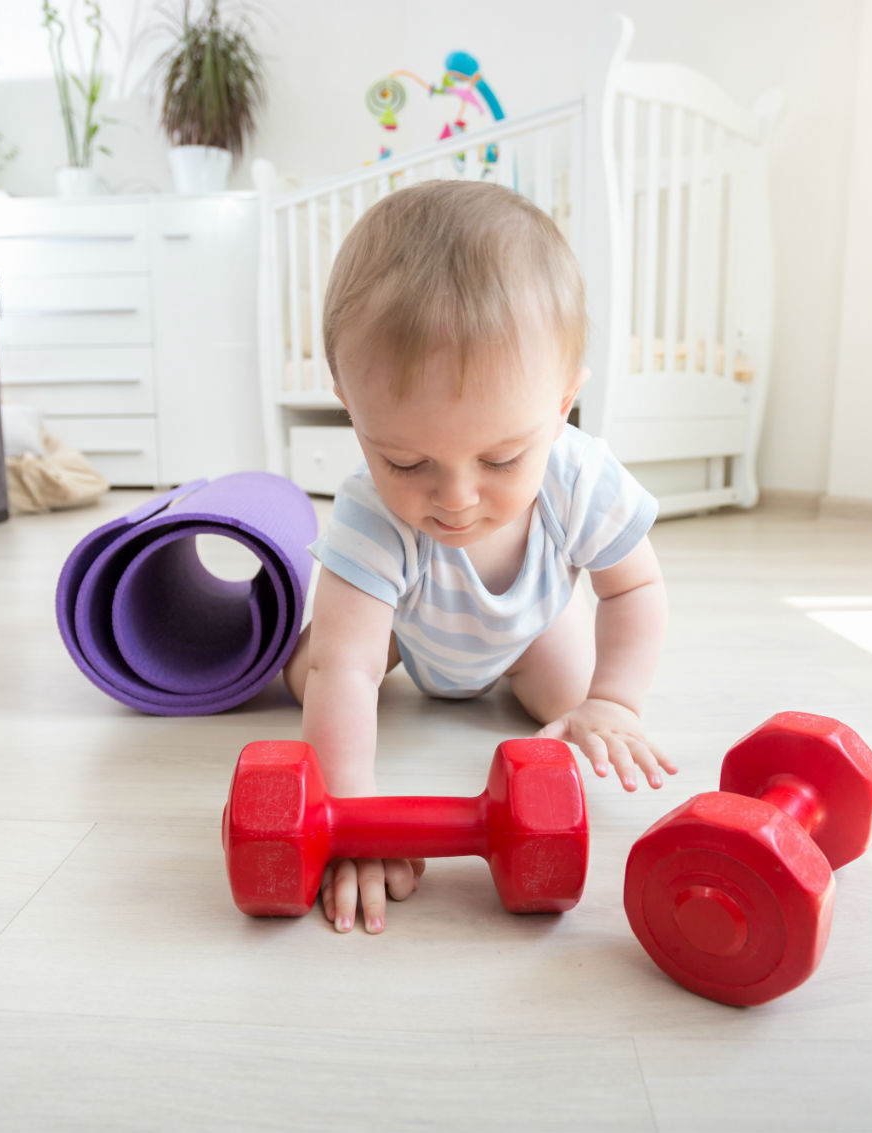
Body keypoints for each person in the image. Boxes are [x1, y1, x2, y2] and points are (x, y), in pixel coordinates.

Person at [281, 179, 675, 935]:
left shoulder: (580, 477)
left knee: (575, 703)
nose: (454, 498)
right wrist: (350, 816)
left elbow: (633, 588)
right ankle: (284, 650)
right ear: (350, 407)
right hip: (405, 630)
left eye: (500, 458)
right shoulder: (370, 511)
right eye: (403, 460)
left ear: (563, 403)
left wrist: (614, 700)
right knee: (318, 670)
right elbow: (349, 670)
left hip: (530, 634)